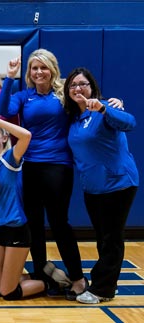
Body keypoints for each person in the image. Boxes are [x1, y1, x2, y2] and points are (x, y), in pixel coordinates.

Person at [0, 51, 87, 297]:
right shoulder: (25, 96)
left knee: (59, 223)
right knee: (33, 224)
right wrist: (9, 78)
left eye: (43, 68)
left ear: (52, 69)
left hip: (58, 166)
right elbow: (3, 109)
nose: (39, 72)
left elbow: (88, 101)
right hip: (30, 167)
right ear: (29, 72)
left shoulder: (63, 94)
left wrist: (113, 103)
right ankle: (39, 273)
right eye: (34, 68)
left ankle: (78, 277)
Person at [63, 68, 138, 304]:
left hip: (118, 184)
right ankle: (104, 285)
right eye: (73, 85)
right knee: (103, 237)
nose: (78, 88)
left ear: (92, 87)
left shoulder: (106, 108)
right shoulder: (73, 118)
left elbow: (130, 123)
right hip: (92, 188)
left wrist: (105, 108)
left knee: (112, 238)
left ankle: (102, 290)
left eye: (83, 84)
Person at [0, 110, 55, 300]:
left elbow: (26, 135)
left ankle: (48, 282)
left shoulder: (11, 158)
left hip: (16, 228)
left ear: (4, 137)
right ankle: (20, 277)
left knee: (7, 293)